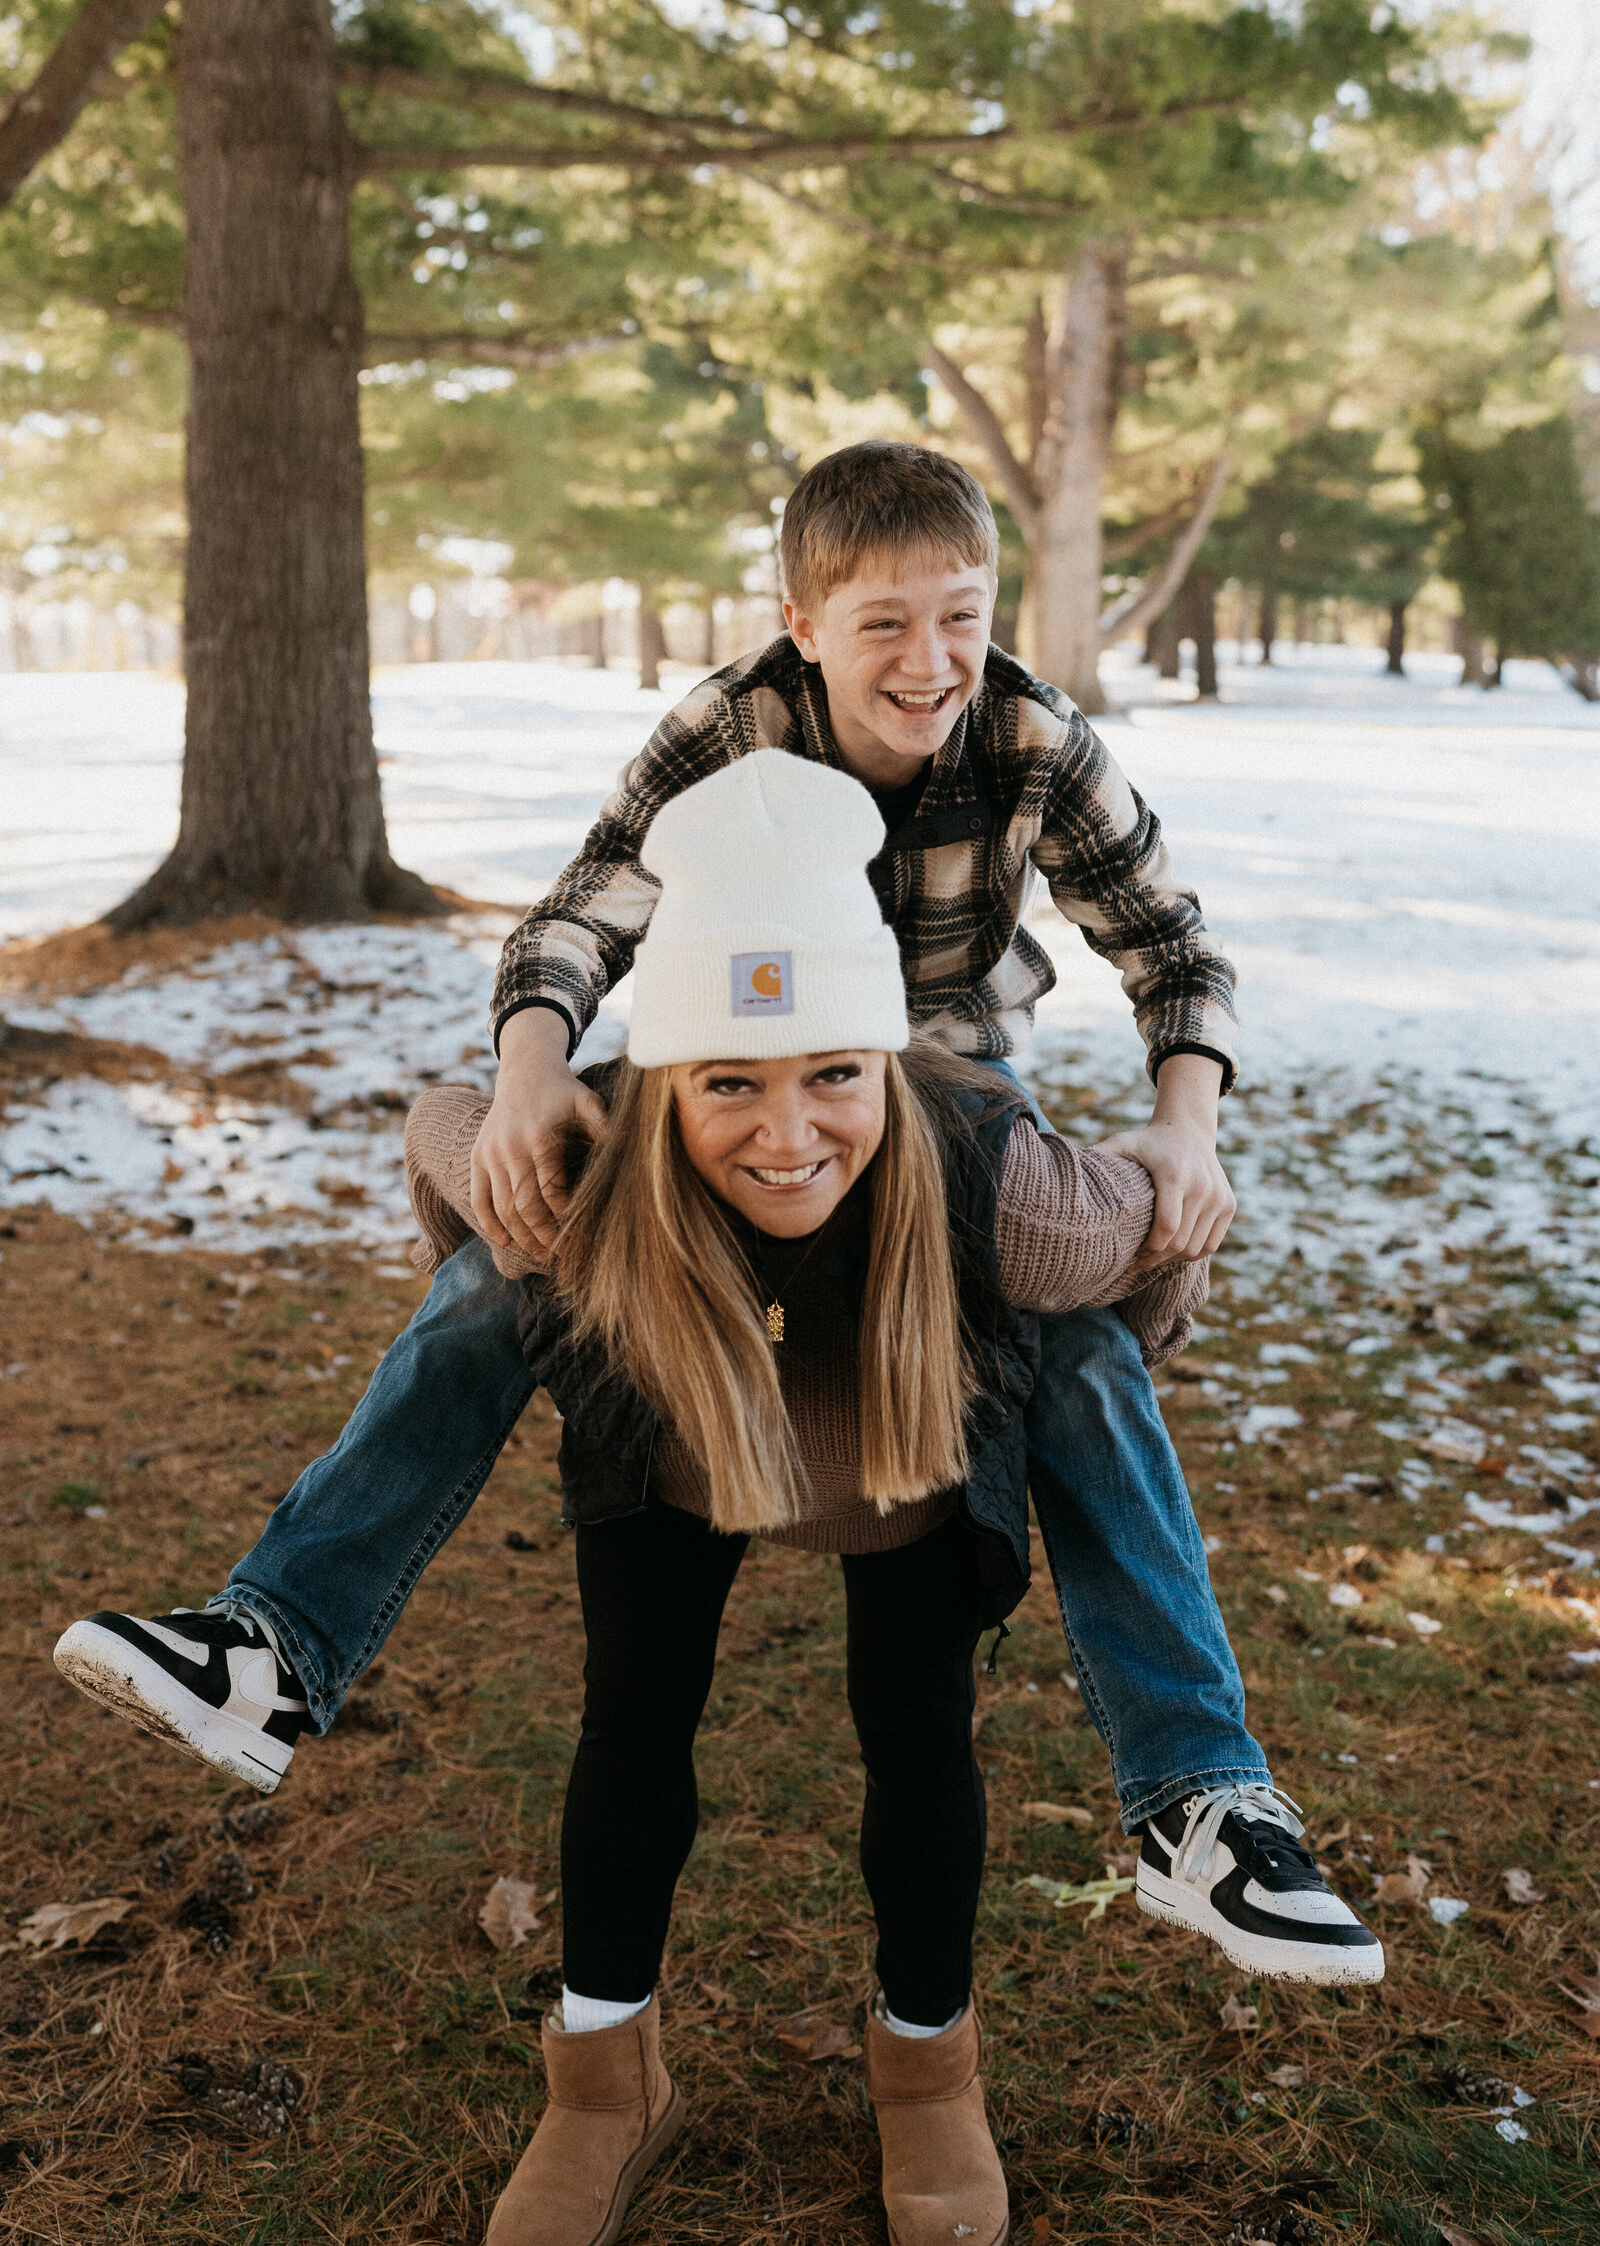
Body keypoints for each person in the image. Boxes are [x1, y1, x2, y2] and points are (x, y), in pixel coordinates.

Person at [54, 441, 1383, 1990]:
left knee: (1078, 1349)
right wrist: (536, 1066)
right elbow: (579, 914)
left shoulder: (1030, 731)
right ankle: (273, 1646)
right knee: (507, 1265)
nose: (932, 659)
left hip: (937, 1093)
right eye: (884, 622)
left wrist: (1182, 1119)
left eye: (960, 614)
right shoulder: (729, 726)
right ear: (802, 619)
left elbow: (1170, 944)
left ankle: (1201, 1799)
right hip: (719, 1070)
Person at [396, 752, 1294, 2246]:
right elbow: (448, 1140)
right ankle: (605, 2082)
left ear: (887, 1065)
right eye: (731, 1084)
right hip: (677, 1416)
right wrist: (517, 1105)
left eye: (831, 1075)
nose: (788, 1131)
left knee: (917, 1722)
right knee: (635, 1711)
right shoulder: (602, 1162)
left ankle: (927, 2068)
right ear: (668, 1086)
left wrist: (1182, 1160)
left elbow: (1150, 1249)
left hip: (907, 1421)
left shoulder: (1000, 1190)